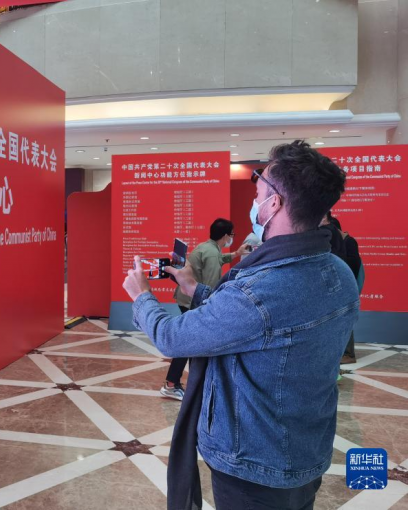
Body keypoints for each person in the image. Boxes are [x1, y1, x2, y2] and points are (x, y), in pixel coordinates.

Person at [122, 141, 358, 510]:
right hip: (307, 450)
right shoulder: (339, 273)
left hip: (253, 463)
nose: (255, 202)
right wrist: (195, 289)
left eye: (258, 194)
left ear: (274, 204)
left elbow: (172, 337)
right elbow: (262, 323)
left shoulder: (259, 290)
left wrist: (142, 297)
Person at [161, 220, 250, 401]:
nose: (232, 238)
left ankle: (182, 383)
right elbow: (209, 286)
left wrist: (235, 254)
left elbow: (218, 258)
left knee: (190, 342)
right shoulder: (211, 253)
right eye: (232, 235)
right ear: (225, 236)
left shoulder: (207, 247)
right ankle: (171, 384)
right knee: (189, 343)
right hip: (192, 302)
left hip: (186, 299)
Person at [328, 215, 363, 365]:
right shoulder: (338, 243)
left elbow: (354, 264)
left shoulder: (349, 242)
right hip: (337, 286)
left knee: (344, 318)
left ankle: (348, 354)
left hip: (346, 286)